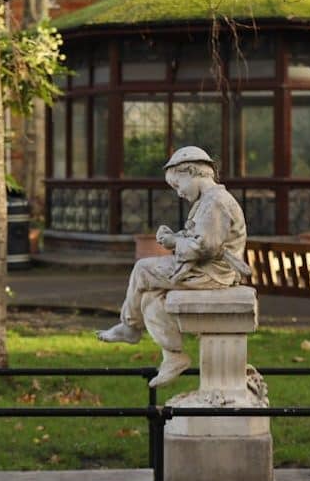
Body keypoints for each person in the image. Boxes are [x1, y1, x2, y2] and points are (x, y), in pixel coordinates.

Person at [97, 146, 249, 387]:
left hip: (212, 273)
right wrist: (175, 236)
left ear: (192, 173)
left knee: (143, 269)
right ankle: (173, 356)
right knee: (150, 300)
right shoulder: (207, 201)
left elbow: (204, 247)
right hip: (202, 268)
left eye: (178, 186)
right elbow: (197, 237)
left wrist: (173, 241)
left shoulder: (217, 202)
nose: (179, 193)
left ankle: (129, 327)